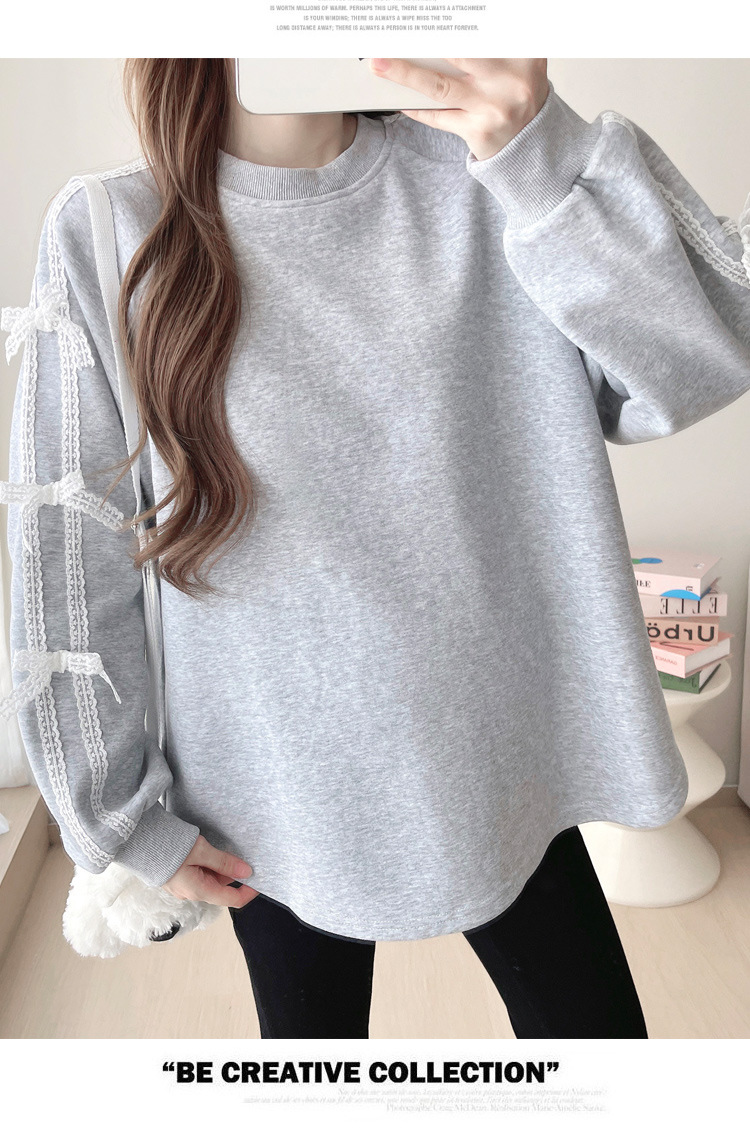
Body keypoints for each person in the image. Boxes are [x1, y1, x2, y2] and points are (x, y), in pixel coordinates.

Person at [2, 58, 749, 1039]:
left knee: (599, 1045)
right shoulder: (110, 228)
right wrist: (120, 819)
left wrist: (544, 151)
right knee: (311, 1067)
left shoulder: (491, 174)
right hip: (273, 787)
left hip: (504, 749)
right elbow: (67, 555)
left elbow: (701, 354)